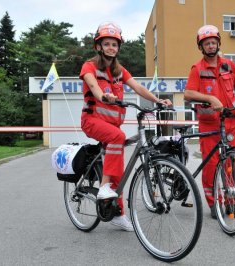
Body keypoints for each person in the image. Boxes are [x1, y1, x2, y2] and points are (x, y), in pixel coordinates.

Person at [79, 21, 172, 231]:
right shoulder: (89, 66)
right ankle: (103, 187)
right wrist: (104, 95)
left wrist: (157, 101)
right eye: (107, 44)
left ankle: (117, 214)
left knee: (119, 173)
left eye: (114, 44)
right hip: (92, 121)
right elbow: (93, 85)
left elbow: (138, 87)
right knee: (117, 137)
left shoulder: (120, 71)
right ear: (99, 46)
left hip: (112, 127)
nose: (111, 47)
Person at [184, 25, 235, 219]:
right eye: (207, 43)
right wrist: (210, 99)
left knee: (233, 163)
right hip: (209, 125)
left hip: (230, 122)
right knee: (212, 166)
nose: (211, 46)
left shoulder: (229, 66)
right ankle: (214, 204)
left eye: (214, 42)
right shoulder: (197, 68)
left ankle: (232, 204)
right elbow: (188, 94)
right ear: (201, 47)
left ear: (218, 43)